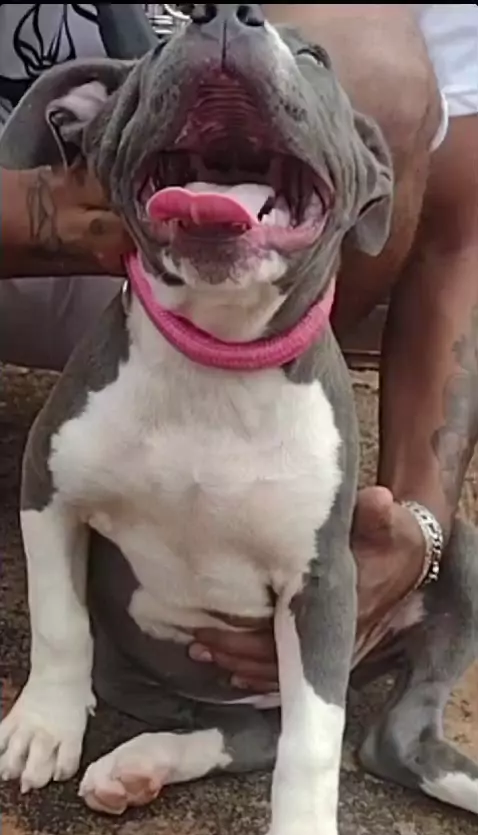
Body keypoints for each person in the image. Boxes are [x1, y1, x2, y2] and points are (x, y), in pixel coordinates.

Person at [1, 4, 477, 692]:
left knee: (378, 61)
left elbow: (459, 237)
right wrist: (31, 214)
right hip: (72, 231)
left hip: (247, 275)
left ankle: (250, 434)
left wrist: (414, 525)